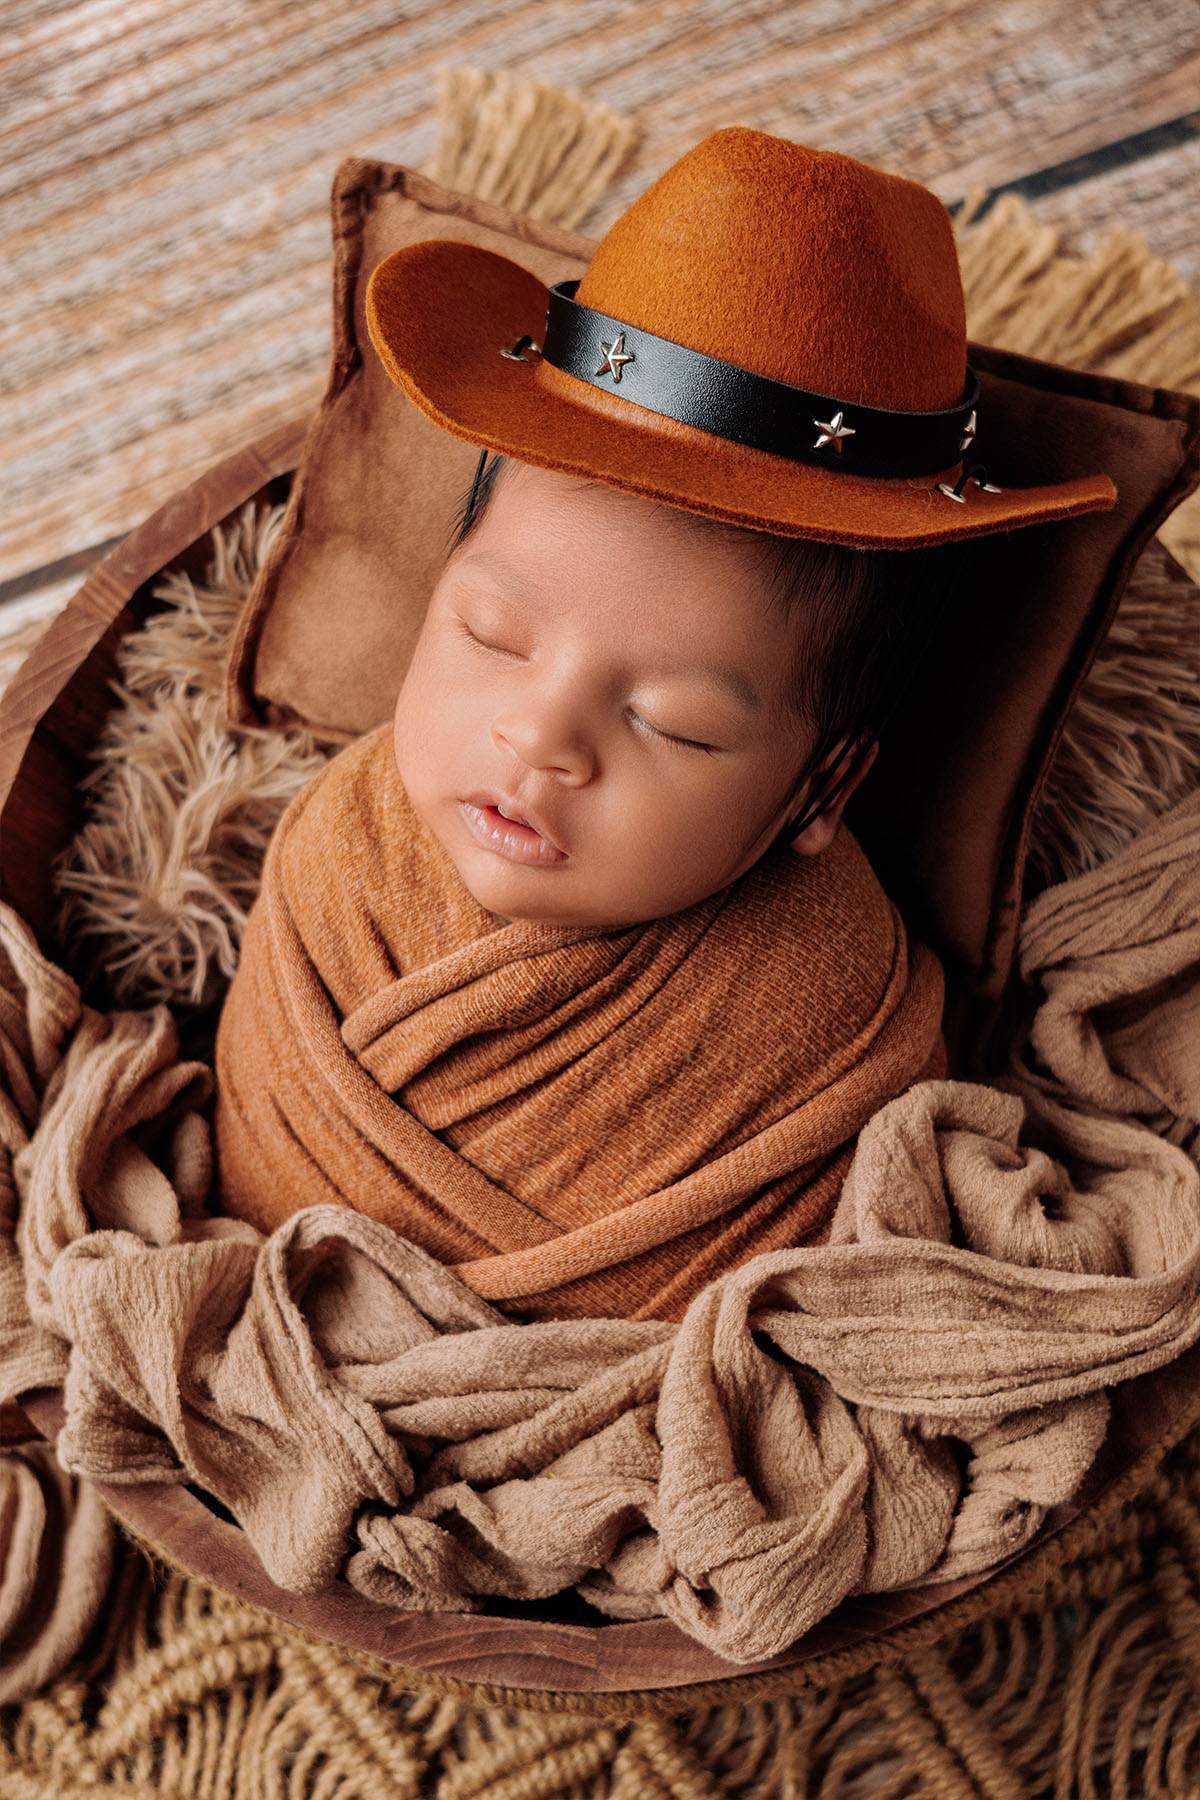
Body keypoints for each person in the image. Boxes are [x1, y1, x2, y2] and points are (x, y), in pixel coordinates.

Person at [211, 127, 1115, 1323]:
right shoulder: (343, 844)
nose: (541, 737)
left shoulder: (823, 1017)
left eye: (672, 725)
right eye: (491, 634)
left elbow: (799, 1298)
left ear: (820, 794)